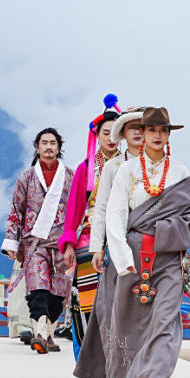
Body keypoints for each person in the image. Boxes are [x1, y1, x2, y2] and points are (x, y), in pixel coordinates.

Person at [105, 107, 190, 378]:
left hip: (168, 258)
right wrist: (122, 258)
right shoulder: (127, 171)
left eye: (163, 130)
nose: (157, 135)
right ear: (143, 133)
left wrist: (166, 231)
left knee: (164, 321)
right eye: (152, 130)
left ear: (169, 134)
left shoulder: (180, 173)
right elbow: (115, 216)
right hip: (134, 257)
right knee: (133, 323)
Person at [73, 106, 145, 378]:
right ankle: (118, 366)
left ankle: (142, 367)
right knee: (110, 308)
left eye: (143, 127)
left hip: (150, 247)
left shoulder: (161, 167)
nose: (138, 132)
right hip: (116, 245)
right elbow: (101, 208)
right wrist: (96, 247)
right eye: (132, 127)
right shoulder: (113, 167)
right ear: (123, 133)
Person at [2, 128, 74, 354]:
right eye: (44, 142)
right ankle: (40, 333)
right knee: (38, 288)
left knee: (58, 293)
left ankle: (49, 334)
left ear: (59, 147)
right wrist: (12, 241)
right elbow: (16, 211)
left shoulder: (71, 177)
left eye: (53, 143)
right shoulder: (26, 178)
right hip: (34, 244)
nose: (49, 147)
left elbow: (77, 210)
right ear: (37, 147)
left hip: (62, 244)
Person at [60, 94, 121, 358]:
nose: (110, 138)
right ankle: (88, 355)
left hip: (121, 232)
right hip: (89, 233)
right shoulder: (86, 168)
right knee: (87, 297)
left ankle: (118, 354)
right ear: (97, 135)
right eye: (105, 133)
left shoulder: (130, 165)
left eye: (115, 133)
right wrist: (69, 243)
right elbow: (74, 208)